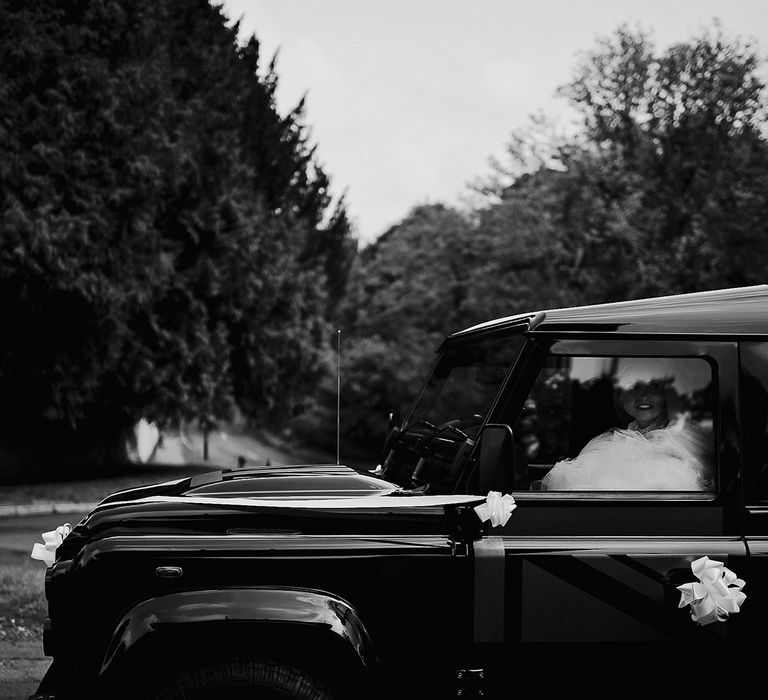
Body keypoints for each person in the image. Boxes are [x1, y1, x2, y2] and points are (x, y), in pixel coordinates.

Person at [541, 359, 713, 491]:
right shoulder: (608, 446)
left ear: (665, 394)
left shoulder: (683, 441)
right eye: (634, 388)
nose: (644, 396)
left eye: (653, 387)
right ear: (621, 397)